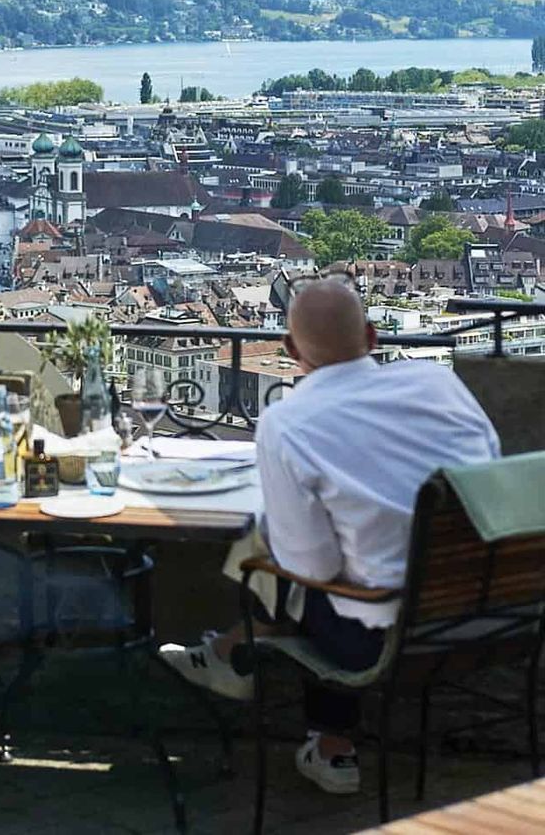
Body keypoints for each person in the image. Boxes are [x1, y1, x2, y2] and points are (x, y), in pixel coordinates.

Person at [160, 278, 499, 796]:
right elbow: (489, 473)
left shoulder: (288, 423)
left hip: (382, 639)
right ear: (373, 335)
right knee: (338, 556)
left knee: (273, 548)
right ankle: (256, 679)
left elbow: (309, 569)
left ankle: (239, 658)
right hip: (489, 617)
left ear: (291, 350)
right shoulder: (439, 384)